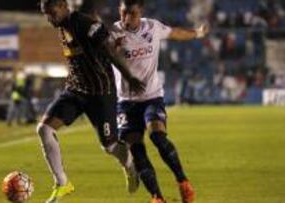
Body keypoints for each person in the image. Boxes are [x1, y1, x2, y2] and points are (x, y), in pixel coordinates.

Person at [37, 0, 145, 202]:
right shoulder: (62, 26)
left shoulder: (85, 24)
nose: (49, 18)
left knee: (110, 146)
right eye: (45, 14)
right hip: (75, 90)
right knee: (44, 129)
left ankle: (130, 164)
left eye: (51, 13)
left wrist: (130, 78)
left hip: (100, 92)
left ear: (62, 6)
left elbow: (110, 51)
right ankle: (62, 183)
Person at [111, 0, 209, 202]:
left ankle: (183, 182)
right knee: (137, 151)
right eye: (123, 13)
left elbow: (175, 33)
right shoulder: (112, 33)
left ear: (141, 13)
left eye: (132, 14)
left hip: (151, 97)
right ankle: (157, 197)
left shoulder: (152, 27)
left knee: (158, 137)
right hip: (126, 103)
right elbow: (100, 55)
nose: (127, 18)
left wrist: (198, 33)